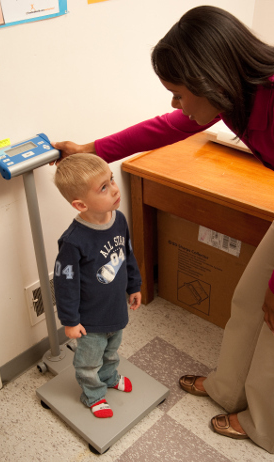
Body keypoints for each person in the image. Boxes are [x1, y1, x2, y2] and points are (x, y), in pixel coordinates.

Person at [50, 5, 274, 452]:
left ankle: (264, 427)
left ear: (209, 79)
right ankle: (226, 389)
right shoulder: (234, 93)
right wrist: (92, 149)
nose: (175, 103)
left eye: (178, 92)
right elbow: (165, 127)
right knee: (248, 299)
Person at [53, 153, 142, 418]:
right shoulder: (73, 241)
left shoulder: (119, 220)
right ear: (80, 204)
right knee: (88, 361)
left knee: (112, 350)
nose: (115, 188)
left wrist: (134, 286)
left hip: (115, 310)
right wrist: (69, 321)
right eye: (103, 187)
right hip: (89, 320)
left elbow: (127, 254)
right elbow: (64, 284)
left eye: (111, 180)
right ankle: (93, 394)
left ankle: (109, 375)